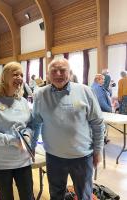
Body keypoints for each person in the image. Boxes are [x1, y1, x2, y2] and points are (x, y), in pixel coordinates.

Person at [32, 58, 105, 199]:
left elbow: (97, 123)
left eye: (63, 70)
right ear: (48, 75)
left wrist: (98, 150)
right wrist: (32, 147)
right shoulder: (40, 94)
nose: (58, 74)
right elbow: (35, 123)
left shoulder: (85, 91)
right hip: (54, 157)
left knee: (84, 195)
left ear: (70, 73)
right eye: (54, 71)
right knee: (56, 194)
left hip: (82, 156)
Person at [0, 61, 36, 200]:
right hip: (0, 162)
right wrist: (12, 141)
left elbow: (29, 124)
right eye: (15, 74)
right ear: (5, 77)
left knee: (28, 196)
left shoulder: (22, 101)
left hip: (23, 160)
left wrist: (28, 134)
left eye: (21, 75)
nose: (19, 78)